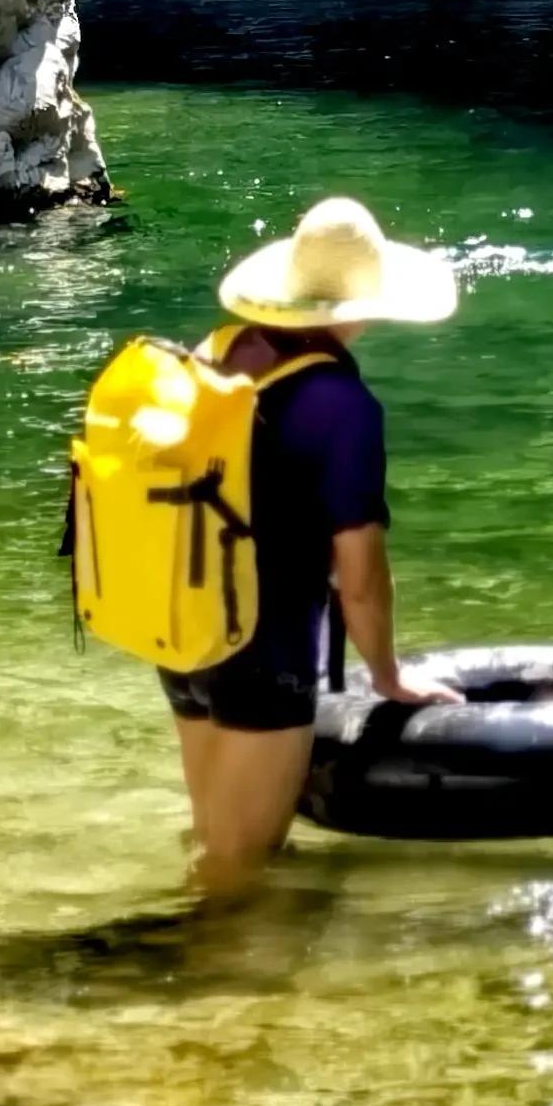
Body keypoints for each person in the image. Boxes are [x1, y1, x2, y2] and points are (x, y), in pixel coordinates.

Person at [165, 198, 461, 895]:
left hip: (181, 630)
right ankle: (186, 963)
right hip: (262, 654)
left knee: (214, 841)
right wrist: (387, 676)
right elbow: (360, 577)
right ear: (364, 306)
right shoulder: (342, 407)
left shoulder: (215, 351)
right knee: (239, 875)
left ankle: (190, 947)